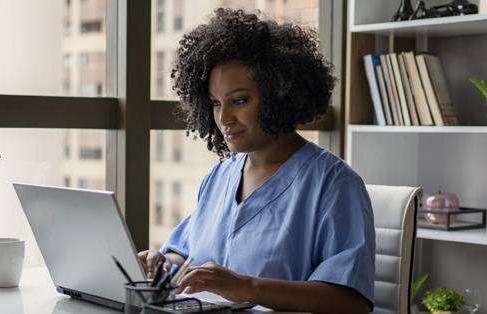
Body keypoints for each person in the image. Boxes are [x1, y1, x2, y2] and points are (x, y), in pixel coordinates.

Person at [138, 8, 375, 314]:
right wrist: (162, 264)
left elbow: (351, 300)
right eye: (215, 104)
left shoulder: (334, 183)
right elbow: (185, 257)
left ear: (280, 95)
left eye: (239, 101)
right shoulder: (219, 177)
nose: (224, 118)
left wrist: (248, 288)